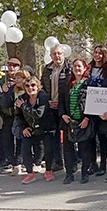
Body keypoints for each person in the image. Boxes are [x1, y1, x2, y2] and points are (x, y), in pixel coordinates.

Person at [60, 59, 94, 184]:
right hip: (69, 121)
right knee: (68, 149)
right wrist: (63, 114)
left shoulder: (89, 83)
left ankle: (85, 173)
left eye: (79, 66)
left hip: (83, 120)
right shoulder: (67, 84)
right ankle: (69, 173)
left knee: (84, 149)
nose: (77, 68)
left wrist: (87, 118)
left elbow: (93, 102)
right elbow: (62, 101)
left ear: (85, 68)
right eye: (75, 66)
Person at [15, 76, 55, 184]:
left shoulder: (43, 96)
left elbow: (38, 114)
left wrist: (23, 106)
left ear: (38, 86)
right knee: (25, 147)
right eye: (27, 86)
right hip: (31, 128)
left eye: (33, 85)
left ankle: (49, 170)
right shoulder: (21, 98)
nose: (30, 88)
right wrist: (23, 127)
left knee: (48, 149)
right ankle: (30, 173)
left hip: (45, 127)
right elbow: (18, 116)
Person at [41, 45, 70, 174]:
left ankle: (72, 162)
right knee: (54, 136)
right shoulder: (47, 69)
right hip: (51, 107)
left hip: (65, 107)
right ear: (51, 56)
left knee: (68, 136)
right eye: (54, 54)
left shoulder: (69, 68)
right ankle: (58, 162)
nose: (57, 56)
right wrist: (48, 101)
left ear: (64, 54)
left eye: (59, 53)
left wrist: (61, 103)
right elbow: (41, 87)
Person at [88, 45, 107, 176]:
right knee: (91, 136)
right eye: (95, 52)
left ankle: (103, 164)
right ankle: (93, 163)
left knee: (102, 137)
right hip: (90, 107)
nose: (97, 55)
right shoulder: (89, 69)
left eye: (100, 53)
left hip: (103, 108)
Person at [0, 69, 30, 175]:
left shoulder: (28, 90)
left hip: (24, 118)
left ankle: (19, 163)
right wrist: (5, 93)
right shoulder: (12, 90)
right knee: (7, 140)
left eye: (20, 78)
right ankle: (11, 162)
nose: (17, 80)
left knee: (21, 141)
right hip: (11, 117)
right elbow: (4, 103)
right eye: (16, 78)